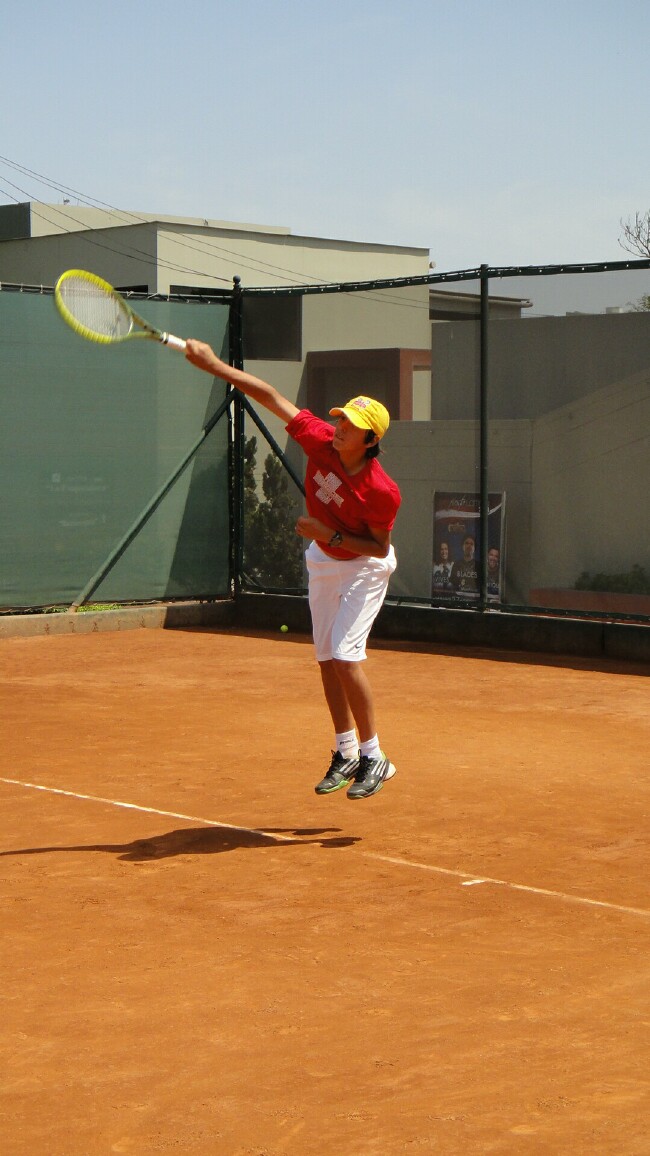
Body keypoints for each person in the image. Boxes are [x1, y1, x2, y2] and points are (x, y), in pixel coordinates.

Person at [184, 340, 401, 800]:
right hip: (324, 561)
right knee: (325, 657)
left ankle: (373, 754)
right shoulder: (321, 441)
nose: (340, 427)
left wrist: (331, 534)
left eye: (352, 426)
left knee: (344, 654)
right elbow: (270, 396)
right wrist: (216, 366)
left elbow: (379, 549)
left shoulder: (382, 492)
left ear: (371, 440)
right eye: (341, 418)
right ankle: (345, 752)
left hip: (363, 567)